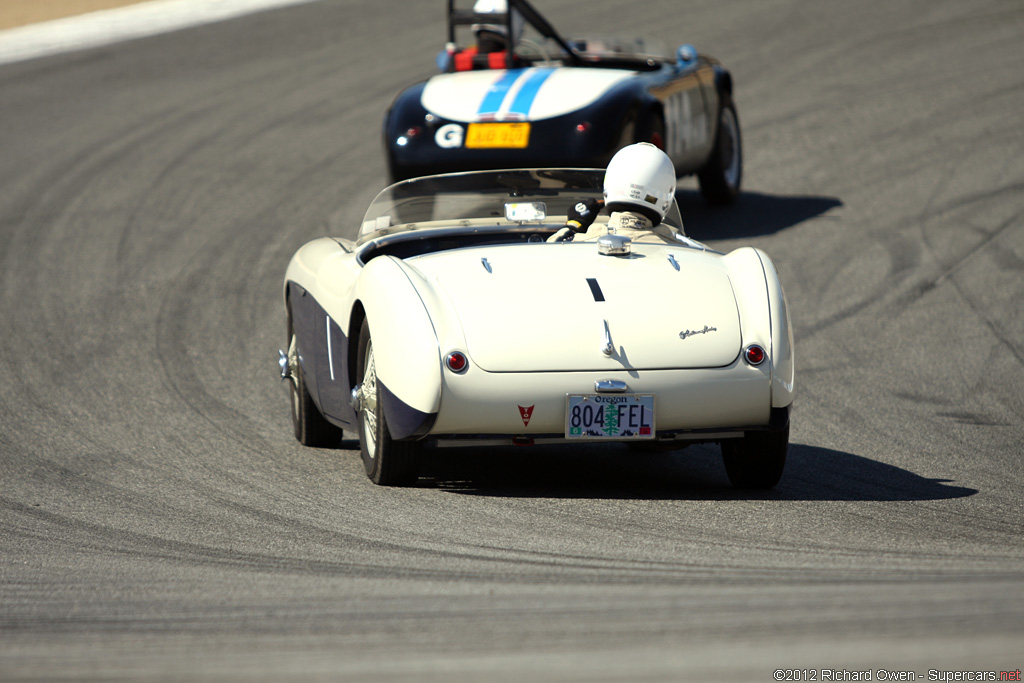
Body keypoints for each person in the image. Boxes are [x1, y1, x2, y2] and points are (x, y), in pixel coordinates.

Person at [548, 143, 680, 244]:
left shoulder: (577, 243)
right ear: (666, 194)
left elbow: (549, 254)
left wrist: (574, 224)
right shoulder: (688, 250)